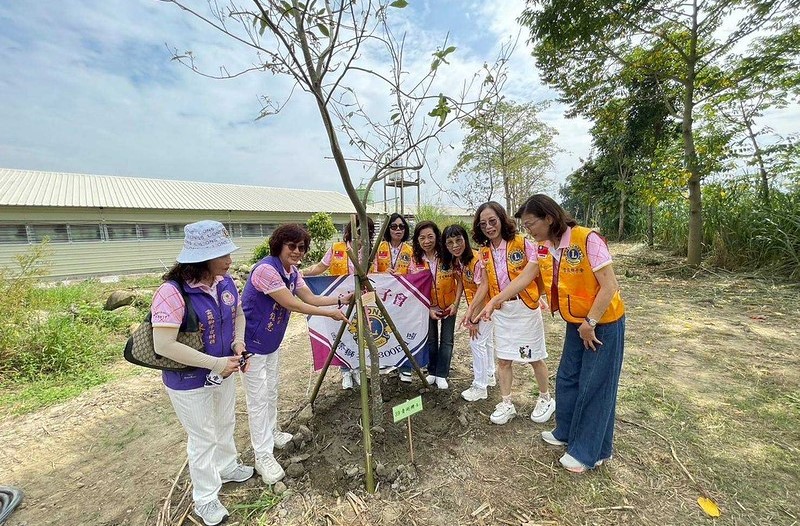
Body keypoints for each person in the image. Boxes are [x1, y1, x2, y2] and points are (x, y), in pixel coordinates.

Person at [481, 194, 625, 473]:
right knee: (568, 378)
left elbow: (610, 286)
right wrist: (495, 300)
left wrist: (591, 322)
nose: (528, 230)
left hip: (602, 323)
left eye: (531, 223)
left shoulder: (587, 240)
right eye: (525, 226)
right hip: (576, 322)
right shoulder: (543, 247)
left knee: (594, 385)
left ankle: (590, 452)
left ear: (549, 218)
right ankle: (566, 432)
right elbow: (524, 277)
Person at [151, 220, 252, 526]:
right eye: (222, 254)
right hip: (188, 380)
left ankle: (227, 465)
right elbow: (164, 344)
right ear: (202, 258)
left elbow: (238, 315)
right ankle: (205, 499)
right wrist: (215, 363)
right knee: (202, 437)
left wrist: (238, 342)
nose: (230, 259)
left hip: (223, 370)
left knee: (225, 421)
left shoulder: (226, 282)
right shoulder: (172, 292)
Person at [241, 224, 350, 485]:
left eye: (302, 247)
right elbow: (293, 304)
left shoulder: (292, 272)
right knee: (257, 399)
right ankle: (262, 454)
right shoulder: (266, 270)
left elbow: (310, 297)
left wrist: (340, 300)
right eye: (292, 246)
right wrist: (331, 312)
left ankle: (272, 432)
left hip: (271, 342)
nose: (298, 252)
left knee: (271, 390)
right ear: (279, 245)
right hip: (250, 344)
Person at [469, 202, 554, 425]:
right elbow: (485, 284)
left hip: (525, 308)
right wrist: (470, 310)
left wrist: (539, 296)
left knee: (534, 356)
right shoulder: (484, 253)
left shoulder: (522, 243)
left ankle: (545, 398)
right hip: (502, 312)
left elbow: (537, 272)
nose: (488, 227)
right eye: (483, 223)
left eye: (492, 221)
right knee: (504, 359)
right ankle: (506, 403)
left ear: (502, 219)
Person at [302, 216, 375, 389]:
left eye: (365, 229)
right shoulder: (337, 248)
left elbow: (377, 272)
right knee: (341, 334)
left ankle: (357, 368)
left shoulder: (370, 250)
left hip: (362, 300)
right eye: (357, 227)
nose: (360, 232)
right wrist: (300, 273)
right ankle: (345, 372)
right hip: (339, 300)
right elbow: (320, 267)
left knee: (359, 333)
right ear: (351, 229)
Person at [441, 224, 496, 401]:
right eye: (450, 242)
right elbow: (460, 283)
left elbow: (484, 288)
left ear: (465, 239)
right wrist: (457, 304)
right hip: (478, 305)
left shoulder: (477, 260)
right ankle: (489, 376)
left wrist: (472, 316)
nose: (455, 245)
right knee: (485, 342)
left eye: (458, 240)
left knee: (477, 342)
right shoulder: (458, 261)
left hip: (488, 306)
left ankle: (480, 387)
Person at [406, 220, 461, 388]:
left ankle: (442, 373)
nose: (426, 241)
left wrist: (456, 304)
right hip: (426, 307)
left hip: (448, 305)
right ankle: (432, 371)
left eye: (430, 236)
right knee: (430, 340)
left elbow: (460, 281)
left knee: (447, 340)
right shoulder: (415, 260)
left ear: (437, 237)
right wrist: (427, 308)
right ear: (417, 240)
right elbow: (413, 287)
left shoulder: (448, 256)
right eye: (422, 238)